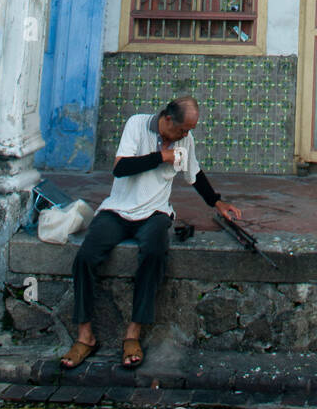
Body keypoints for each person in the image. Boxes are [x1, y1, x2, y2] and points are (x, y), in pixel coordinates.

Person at [59, 95, 241, 370]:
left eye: (189, 131)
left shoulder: (184, 141)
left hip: (155, 213)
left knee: (154, 254)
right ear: (167, 119)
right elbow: (121, 168)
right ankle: (85, 335)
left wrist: (217, 201)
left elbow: (195, 174)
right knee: (86, 257)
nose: (185, 135)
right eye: (182, 129)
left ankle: (133, 333)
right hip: (118, 210)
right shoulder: (137, 125)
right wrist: (161, 157)